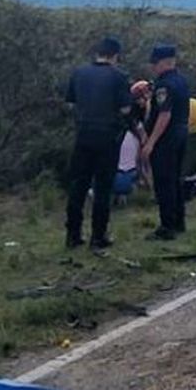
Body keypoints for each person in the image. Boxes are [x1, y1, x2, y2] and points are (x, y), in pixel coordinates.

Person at [63, 37, 133, 250]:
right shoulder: (119, 76)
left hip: (83, 135)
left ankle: (72, 235)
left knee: (78, 187)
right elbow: (125, 109)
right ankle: (98, 237)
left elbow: (70, 103)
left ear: (97, 53)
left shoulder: (79, 73)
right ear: (115, 55)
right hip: (107, 138)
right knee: (103, 188)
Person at [142, 44, 191, 240]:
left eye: (154, 63)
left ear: (163, 62)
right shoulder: (181, 80)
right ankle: (179, 222)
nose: (153, 67)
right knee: (176, 179)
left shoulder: (164, 85)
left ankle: (167, 227)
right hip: (181, 133)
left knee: (164, 182)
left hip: (166, 138)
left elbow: (164, 115)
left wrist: (151, 142)